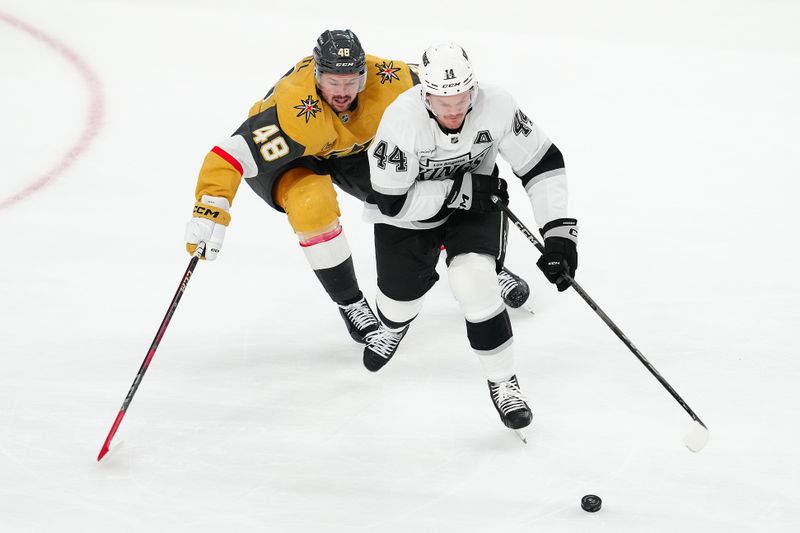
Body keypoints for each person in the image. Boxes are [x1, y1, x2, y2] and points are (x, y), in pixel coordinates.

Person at [184, 30, 531, 346]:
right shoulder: (291, 111)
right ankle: (350, 303)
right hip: (293, 156)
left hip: (349, 148)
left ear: (365, 73)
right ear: (316, 76)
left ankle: (481, 265)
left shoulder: (391, 81)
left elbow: (444, 88)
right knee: (312, 204)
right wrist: (211, 208)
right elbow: (228, 155)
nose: (343, 92)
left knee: (413, 186)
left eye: (352, 81)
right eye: (333, 82)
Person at [362, 42, 578, 437]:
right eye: (443, 103)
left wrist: (559, 234)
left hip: (475, 205)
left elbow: (542, 162)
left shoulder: (496, 104)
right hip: (411, 214)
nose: (453, 111)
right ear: (425, 94)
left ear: (473, 89)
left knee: (473, 281)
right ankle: (394, 325)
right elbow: (391, 202)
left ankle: (503, 381)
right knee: (397, 302)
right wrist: (457, 190)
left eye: (461, 99)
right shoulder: (401, 120)